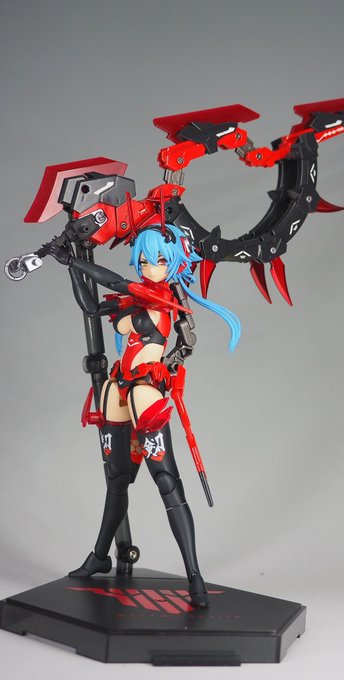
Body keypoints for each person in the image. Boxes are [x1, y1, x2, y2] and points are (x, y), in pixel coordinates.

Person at [49, 222, 240, 608]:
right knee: (116, 480)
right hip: (116, 389)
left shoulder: (165, 297)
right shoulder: (133, 300)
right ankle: (100, 556)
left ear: (175, 263)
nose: (150, 267)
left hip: (145, 390)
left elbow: (114, 281)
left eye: (160, 260)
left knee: (166, 481)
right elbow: (91, 307)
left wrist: (74, 261)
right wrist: (70, 267)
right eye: (145, 260)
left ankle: (194, 575)